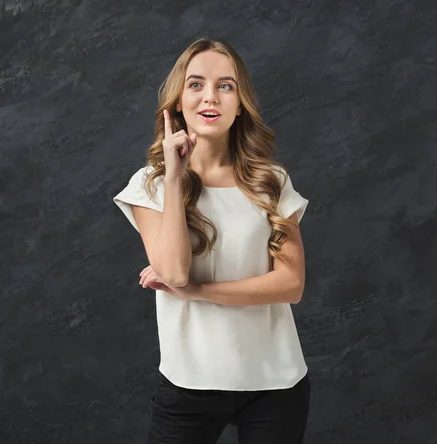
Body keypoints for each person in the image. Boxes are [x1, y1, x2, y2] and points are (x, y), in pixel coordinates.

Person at [113, 37, 311, 444]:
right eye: (196, 84)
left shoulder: (271, 180)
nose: (211, 97)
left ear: (240, 104)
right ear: (178, 102)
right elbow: (173, 272)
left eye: (225, 85)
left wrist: (197, 292)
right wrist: (173, 175)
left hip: (276, 382)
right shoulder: (149, 185)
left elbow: (291, 285)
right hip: (190, 383)